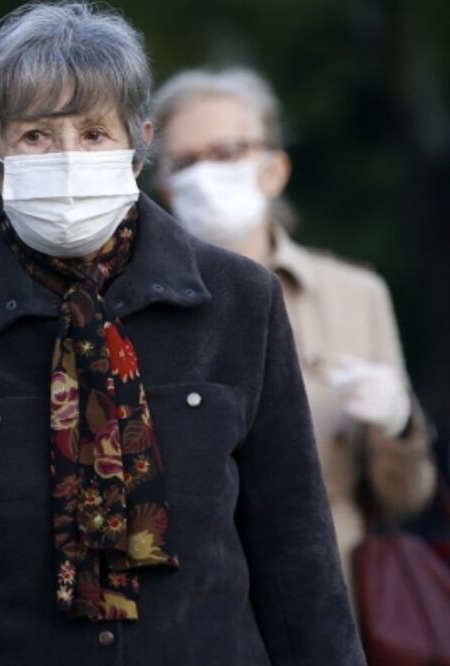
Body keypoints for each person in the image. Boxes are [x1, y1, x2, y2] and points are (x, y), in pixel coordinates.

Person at [0, 4, 364, 665]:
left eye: (95, 133)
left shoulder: (239, 303)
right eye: (36, 135)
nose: (69, 157)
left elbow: (296, 557)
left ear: (138, 144)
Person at [151, 66, 436, 591]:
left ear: (274, 170)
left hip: (334, 596)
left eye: (226, 153)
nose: (204, 174)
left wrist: (398, 425)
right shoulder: (139, 306)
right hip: (195, 607)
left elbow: (405, 497)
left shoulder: (356, 295)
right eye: (186, 161)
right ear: (167, 187)